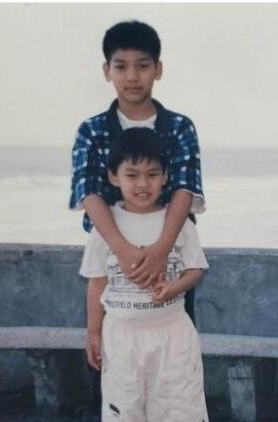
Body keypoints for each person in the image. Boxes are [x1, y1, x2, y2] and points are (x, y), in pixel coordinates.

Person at [81, 127, 209, 421]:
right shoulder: (106, 227)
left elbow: (196, 270)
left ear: (165, 177)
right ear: (114, 177)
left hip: (173, 334)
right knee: (124, 410)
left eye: (152, 174)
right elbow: (96, 282)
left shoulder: (178, 224)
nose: (143, 184)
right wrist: (93, 332)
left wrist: (175, 288)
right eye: (132, 174)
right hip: (121, 337)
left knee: (179, 409)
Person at [69, 20, 205, 291]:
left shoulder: (180, 128)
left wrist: (161, 251)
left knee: (171, 326)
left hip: (171, 260)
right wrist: (122, 250)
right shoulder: (92, 131)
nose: (132, 76)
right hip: (111, 258)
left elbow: (185, 189)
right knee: (111, 330)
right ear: (107, 71)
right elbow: (89, 193)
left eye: (142, 66)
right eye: (121, 66)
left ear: (158, 69)